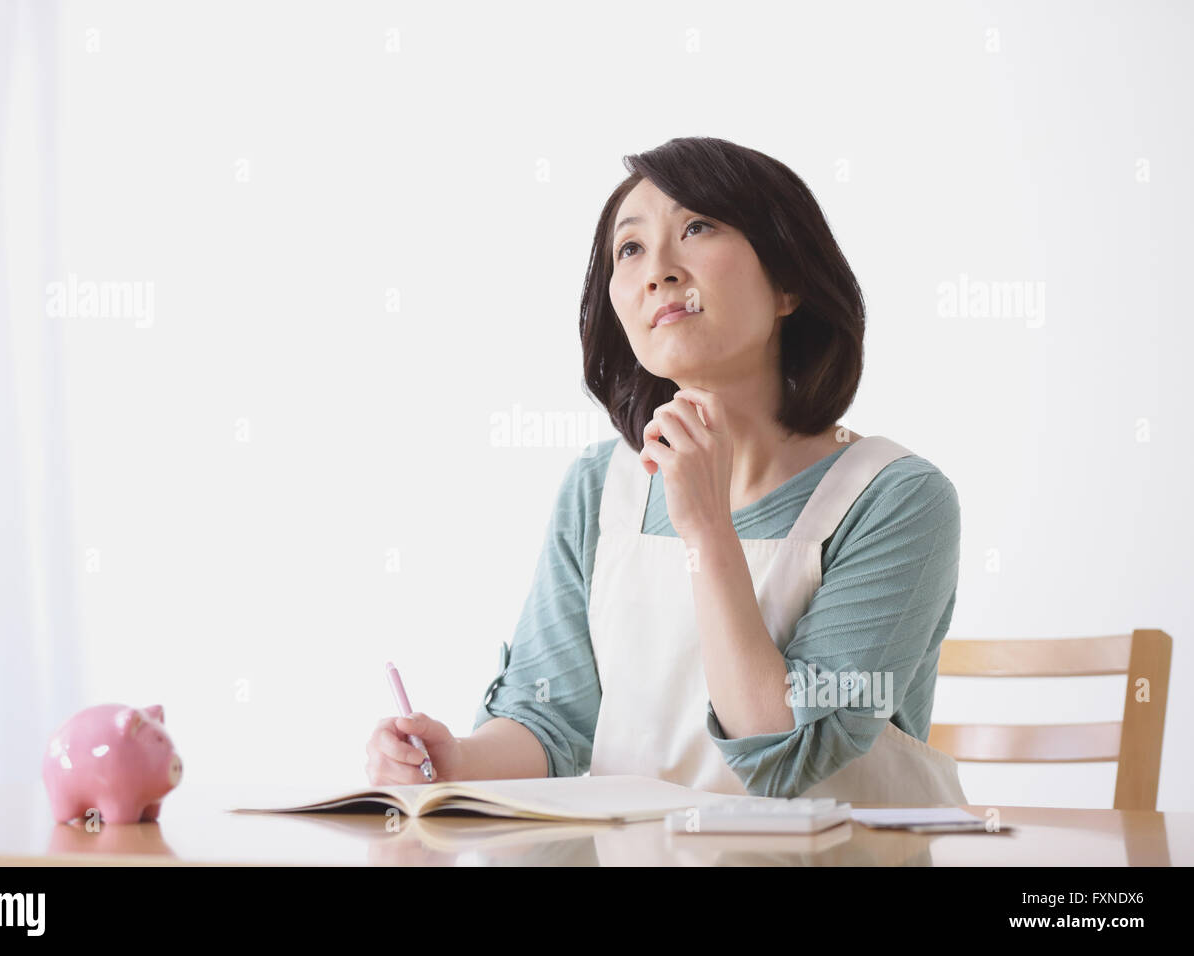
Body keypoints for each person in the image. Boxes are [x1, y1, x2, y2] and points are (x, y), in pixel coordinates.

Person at [364, 136, 967, 804]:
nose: (658, 270)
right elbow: (552, 721)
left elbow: (787, 756)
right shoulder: (599, 488)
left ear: (789, 282)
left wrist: (708, 529)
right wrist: (456, 761)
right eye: (629, 249)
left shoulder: (897, 498)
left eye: (697, 227)